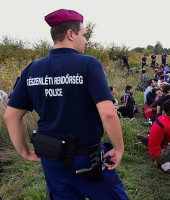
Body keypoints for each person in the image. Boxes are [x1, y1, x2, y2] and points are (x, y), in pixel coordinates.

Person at [3, 9, 128, 199]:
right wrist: (119, 148)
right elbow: (109, 113)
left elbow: (10, 115)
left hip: (52, 161)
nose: (86, 41)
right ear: (71, 34)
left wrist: (25, 152)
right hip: (88, 160)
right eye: (84, 35)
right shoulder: (88, 64)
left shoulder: (32, 69)